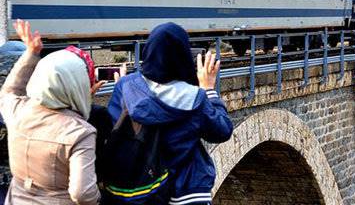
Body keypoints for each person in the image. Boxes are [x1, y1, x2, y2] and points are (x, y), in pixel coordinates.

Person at [106, 22, 233, 205]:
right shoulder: (195, 97)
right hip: (186, 192)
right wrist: (208, 90)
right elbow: (222, 130)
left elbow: (114, 130)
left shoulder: (125, 86)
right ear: (183, 57)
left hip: (142, 191)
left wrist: (124, 88)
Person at [0, 20, 105, 205]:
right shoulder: (80, 133)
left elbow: (9, 91)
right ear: (77, 84)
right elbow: (82, 193)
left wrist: (30, 54)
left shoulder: (17, 111)